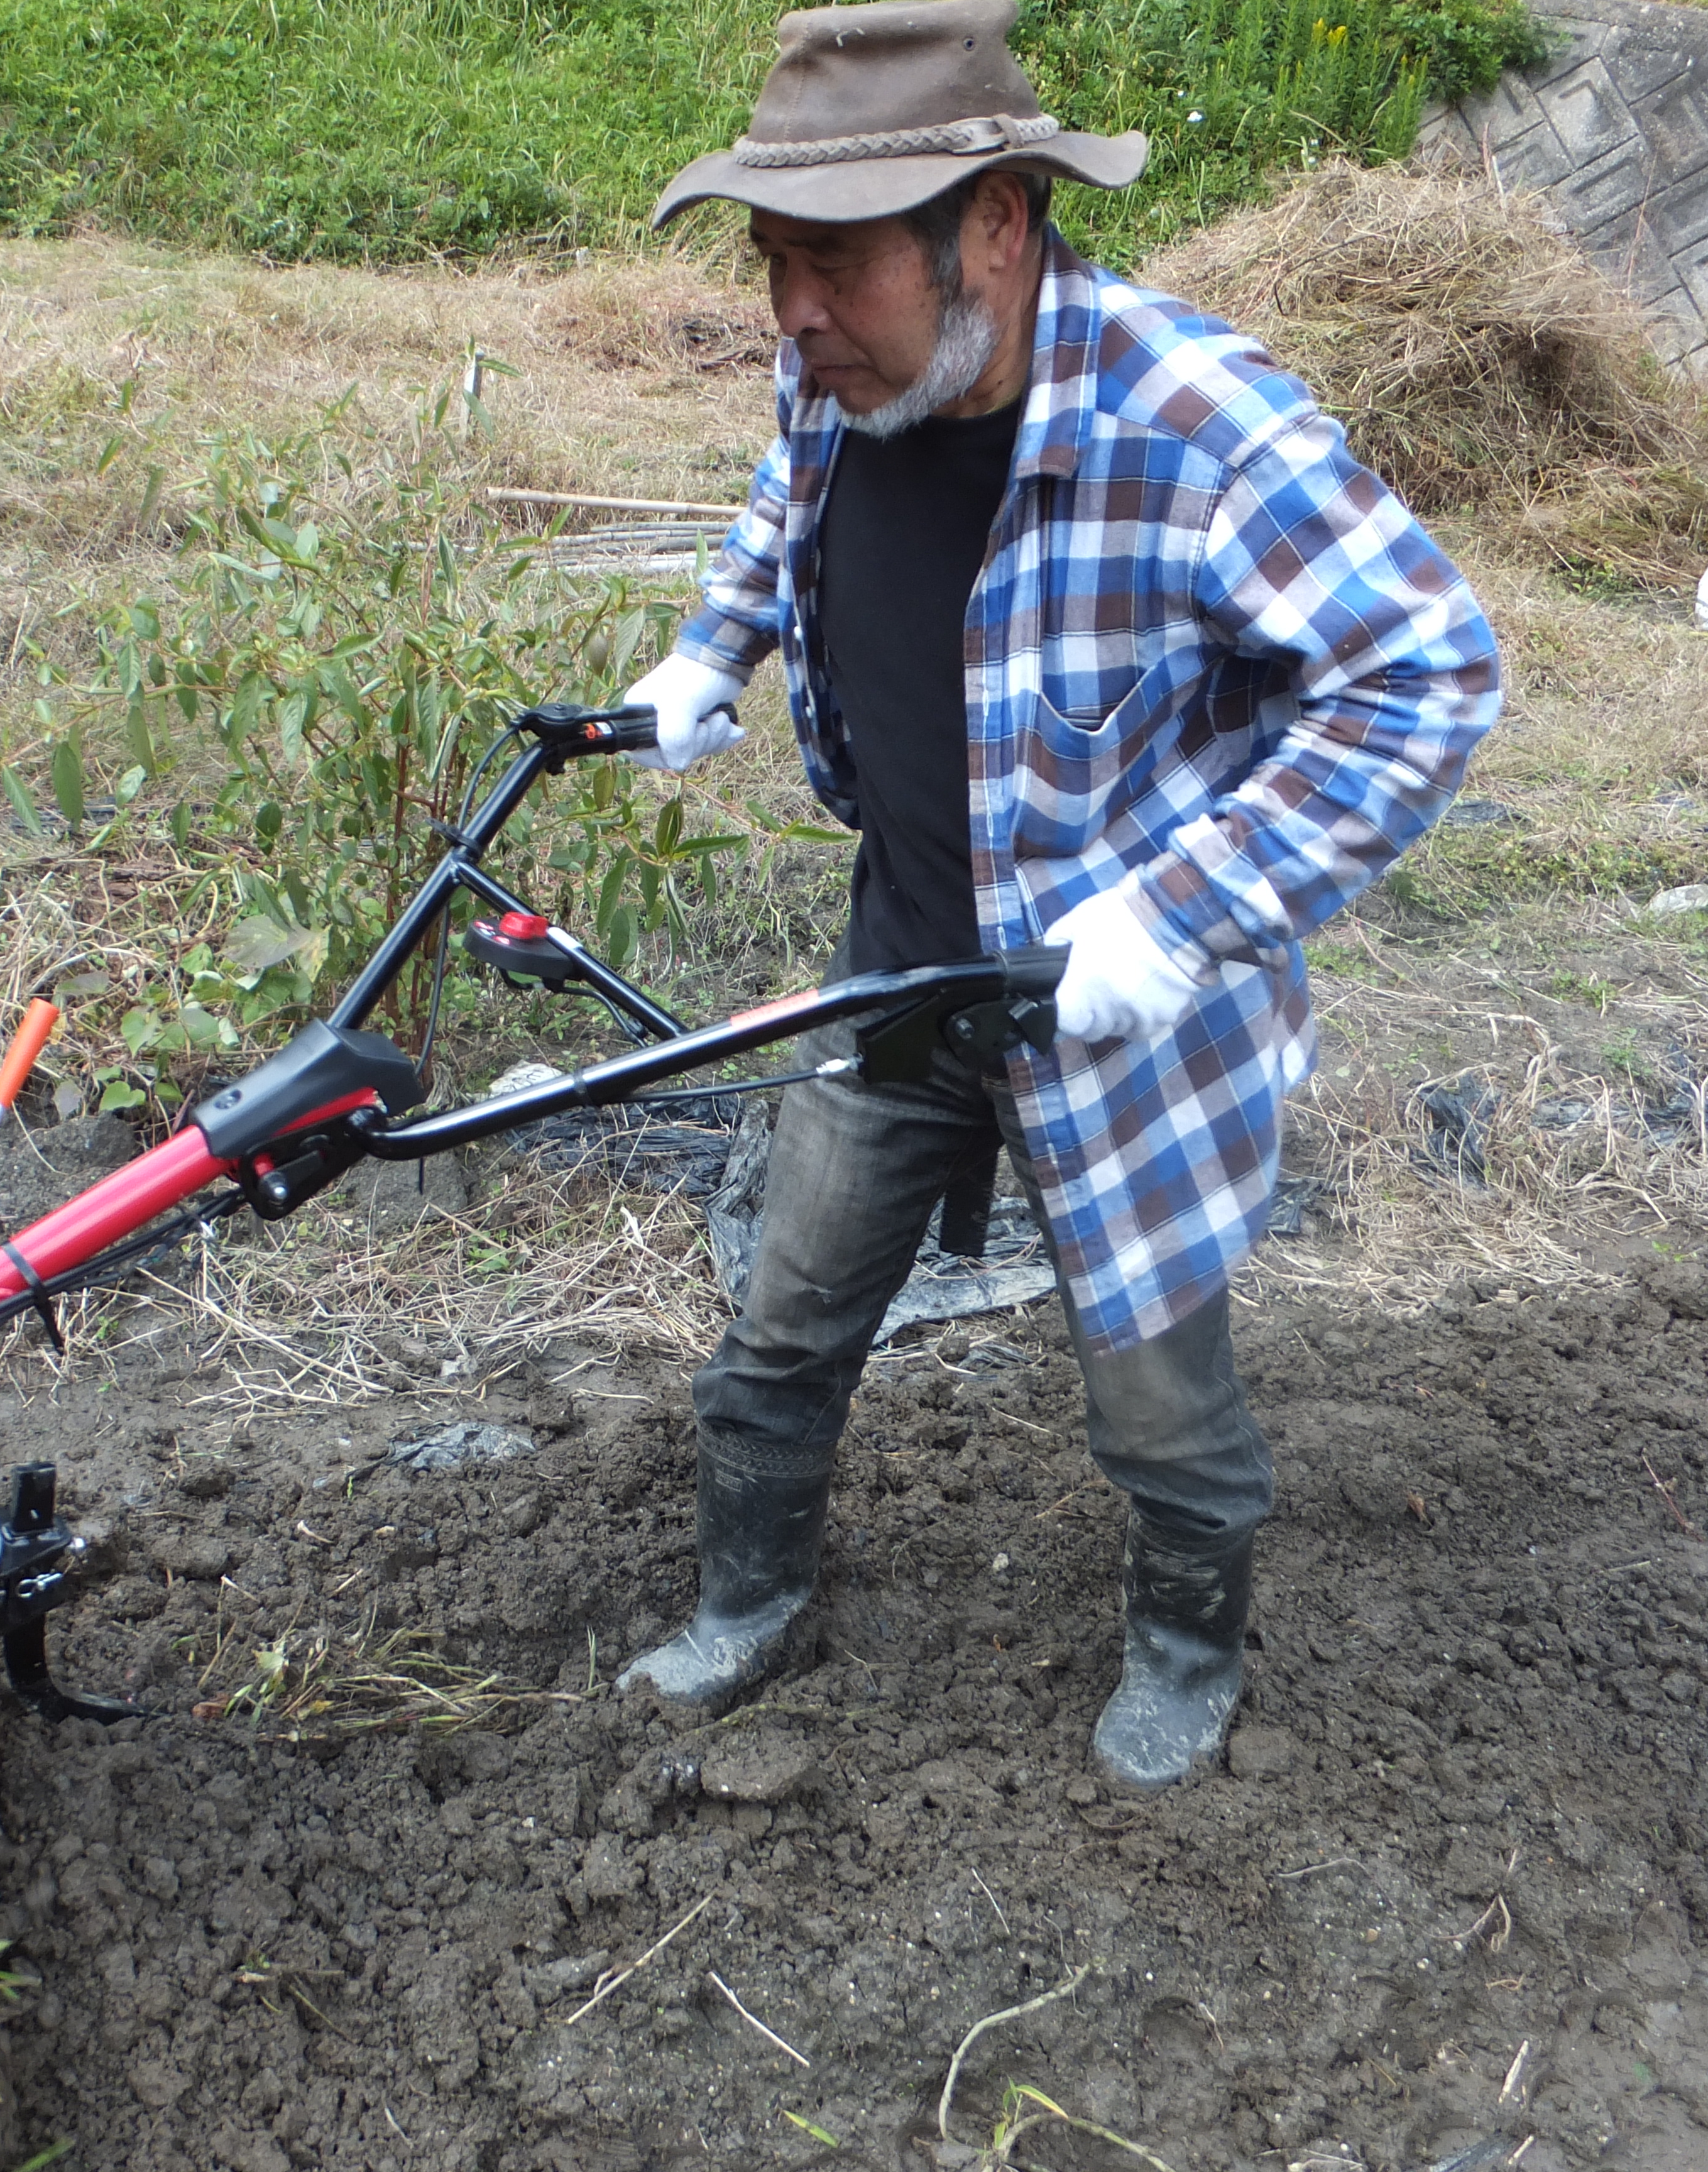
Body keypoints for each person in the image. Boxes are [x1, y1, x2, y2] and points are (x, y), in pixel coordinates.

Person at [613, 0, 1500, 1785]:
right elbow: (782, 506)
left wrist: (1188, 910)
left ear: (997, 229)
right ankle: (754, 1601)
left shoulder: (1197, 424)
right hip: (904, 978)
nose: (792, 313)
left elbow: (1432, 673)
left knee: (1161, 1403)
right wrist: (710, 652)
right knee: (779, 1330)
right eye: (775, 262)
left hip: (1123, 1024)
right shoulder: (845, 369)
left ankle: (1188, 1646)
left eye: (835, 265)